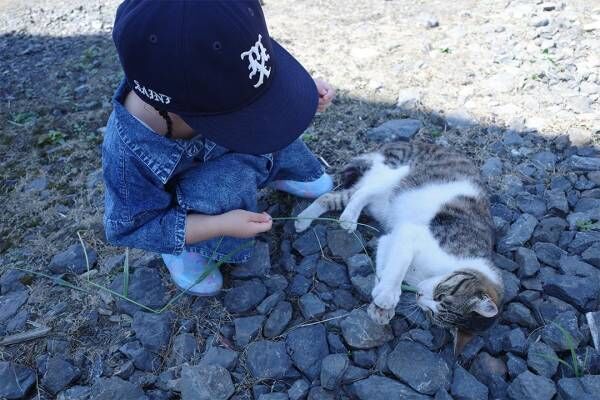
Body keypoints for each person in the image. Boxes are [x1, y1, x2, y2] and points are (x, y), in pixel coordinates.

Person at [102, 0, 335, 296]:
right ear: (174, 109)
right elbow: (133, 226)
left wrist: (293, 94)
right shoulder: (128, 151)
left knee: (272, 126)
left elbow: (249, 76)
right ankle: (188, 250)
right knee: (226, 183)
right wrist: (221, 225)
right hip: (199, 201)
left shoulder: (205, 63)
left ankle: (276, 168)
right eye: (238, 111)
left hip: (231, 149)